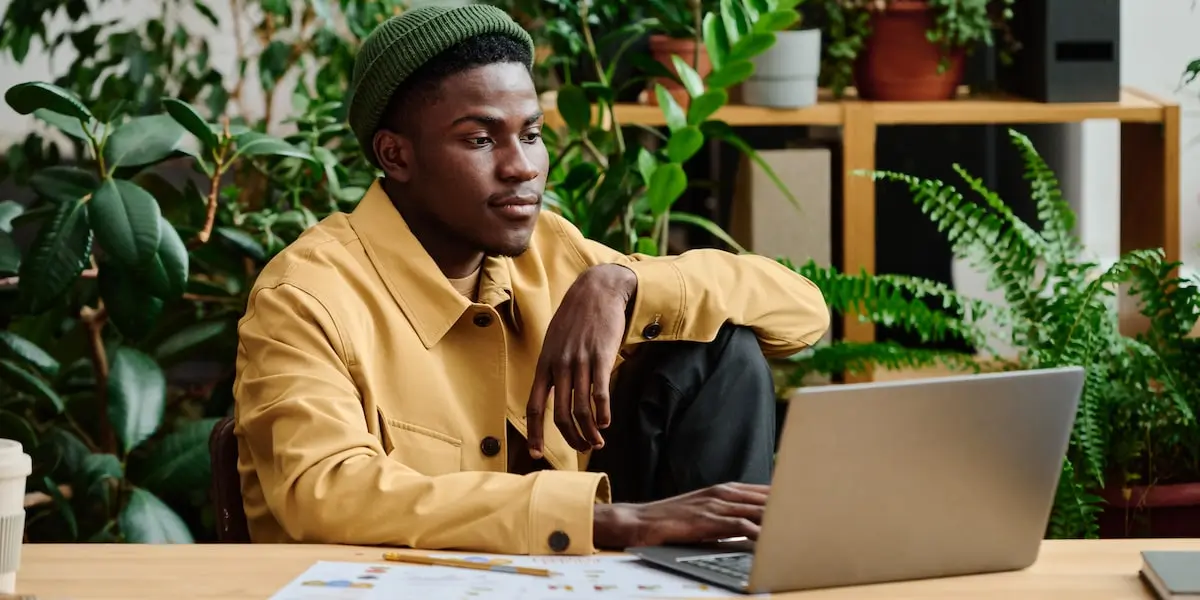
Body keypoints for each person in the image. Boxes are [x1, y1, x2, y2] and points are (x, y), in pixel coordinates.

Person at [232, 3, 830, 556]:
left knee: (721, 350)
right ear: (396, 155)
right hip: (388, 589)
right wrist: (614, 520)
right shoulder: (305, 298)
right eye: (481, 139)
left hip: (563, 586)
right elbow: (327, 491)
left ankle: (725, 573)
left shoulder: (554, 252)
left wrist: (620, 284)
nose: (521, 167)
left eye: (533, 135)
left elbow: (803, 314)